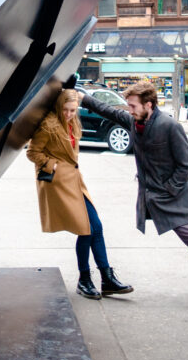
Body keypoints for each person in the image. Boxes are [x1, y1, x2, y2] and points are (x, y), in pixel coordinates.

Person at [78, 82, 188, 320]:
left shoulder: (169, 126)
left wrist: (171, 187)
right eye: (128, 105)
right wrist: (82, 98)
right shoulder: (132, 120)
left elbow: (186, 165)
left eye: (133, 105)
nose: (129, 109)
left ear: (148, 105)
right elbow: (108, 110)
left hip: (184, 195)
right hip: (160, 201)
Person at [26, 89, 133, 299]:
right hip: (58, 184)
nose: (68, 114)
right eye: (65, 110)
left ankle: (106, 277)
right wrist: (52, 166)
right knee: (86, 229)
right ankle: (85, 280)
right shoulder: (49, 125)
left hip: (75, 181)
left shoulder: (74, 122)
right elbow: (32, 152)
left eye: (73, 110)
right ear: (59, 107)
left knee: (96, 227)